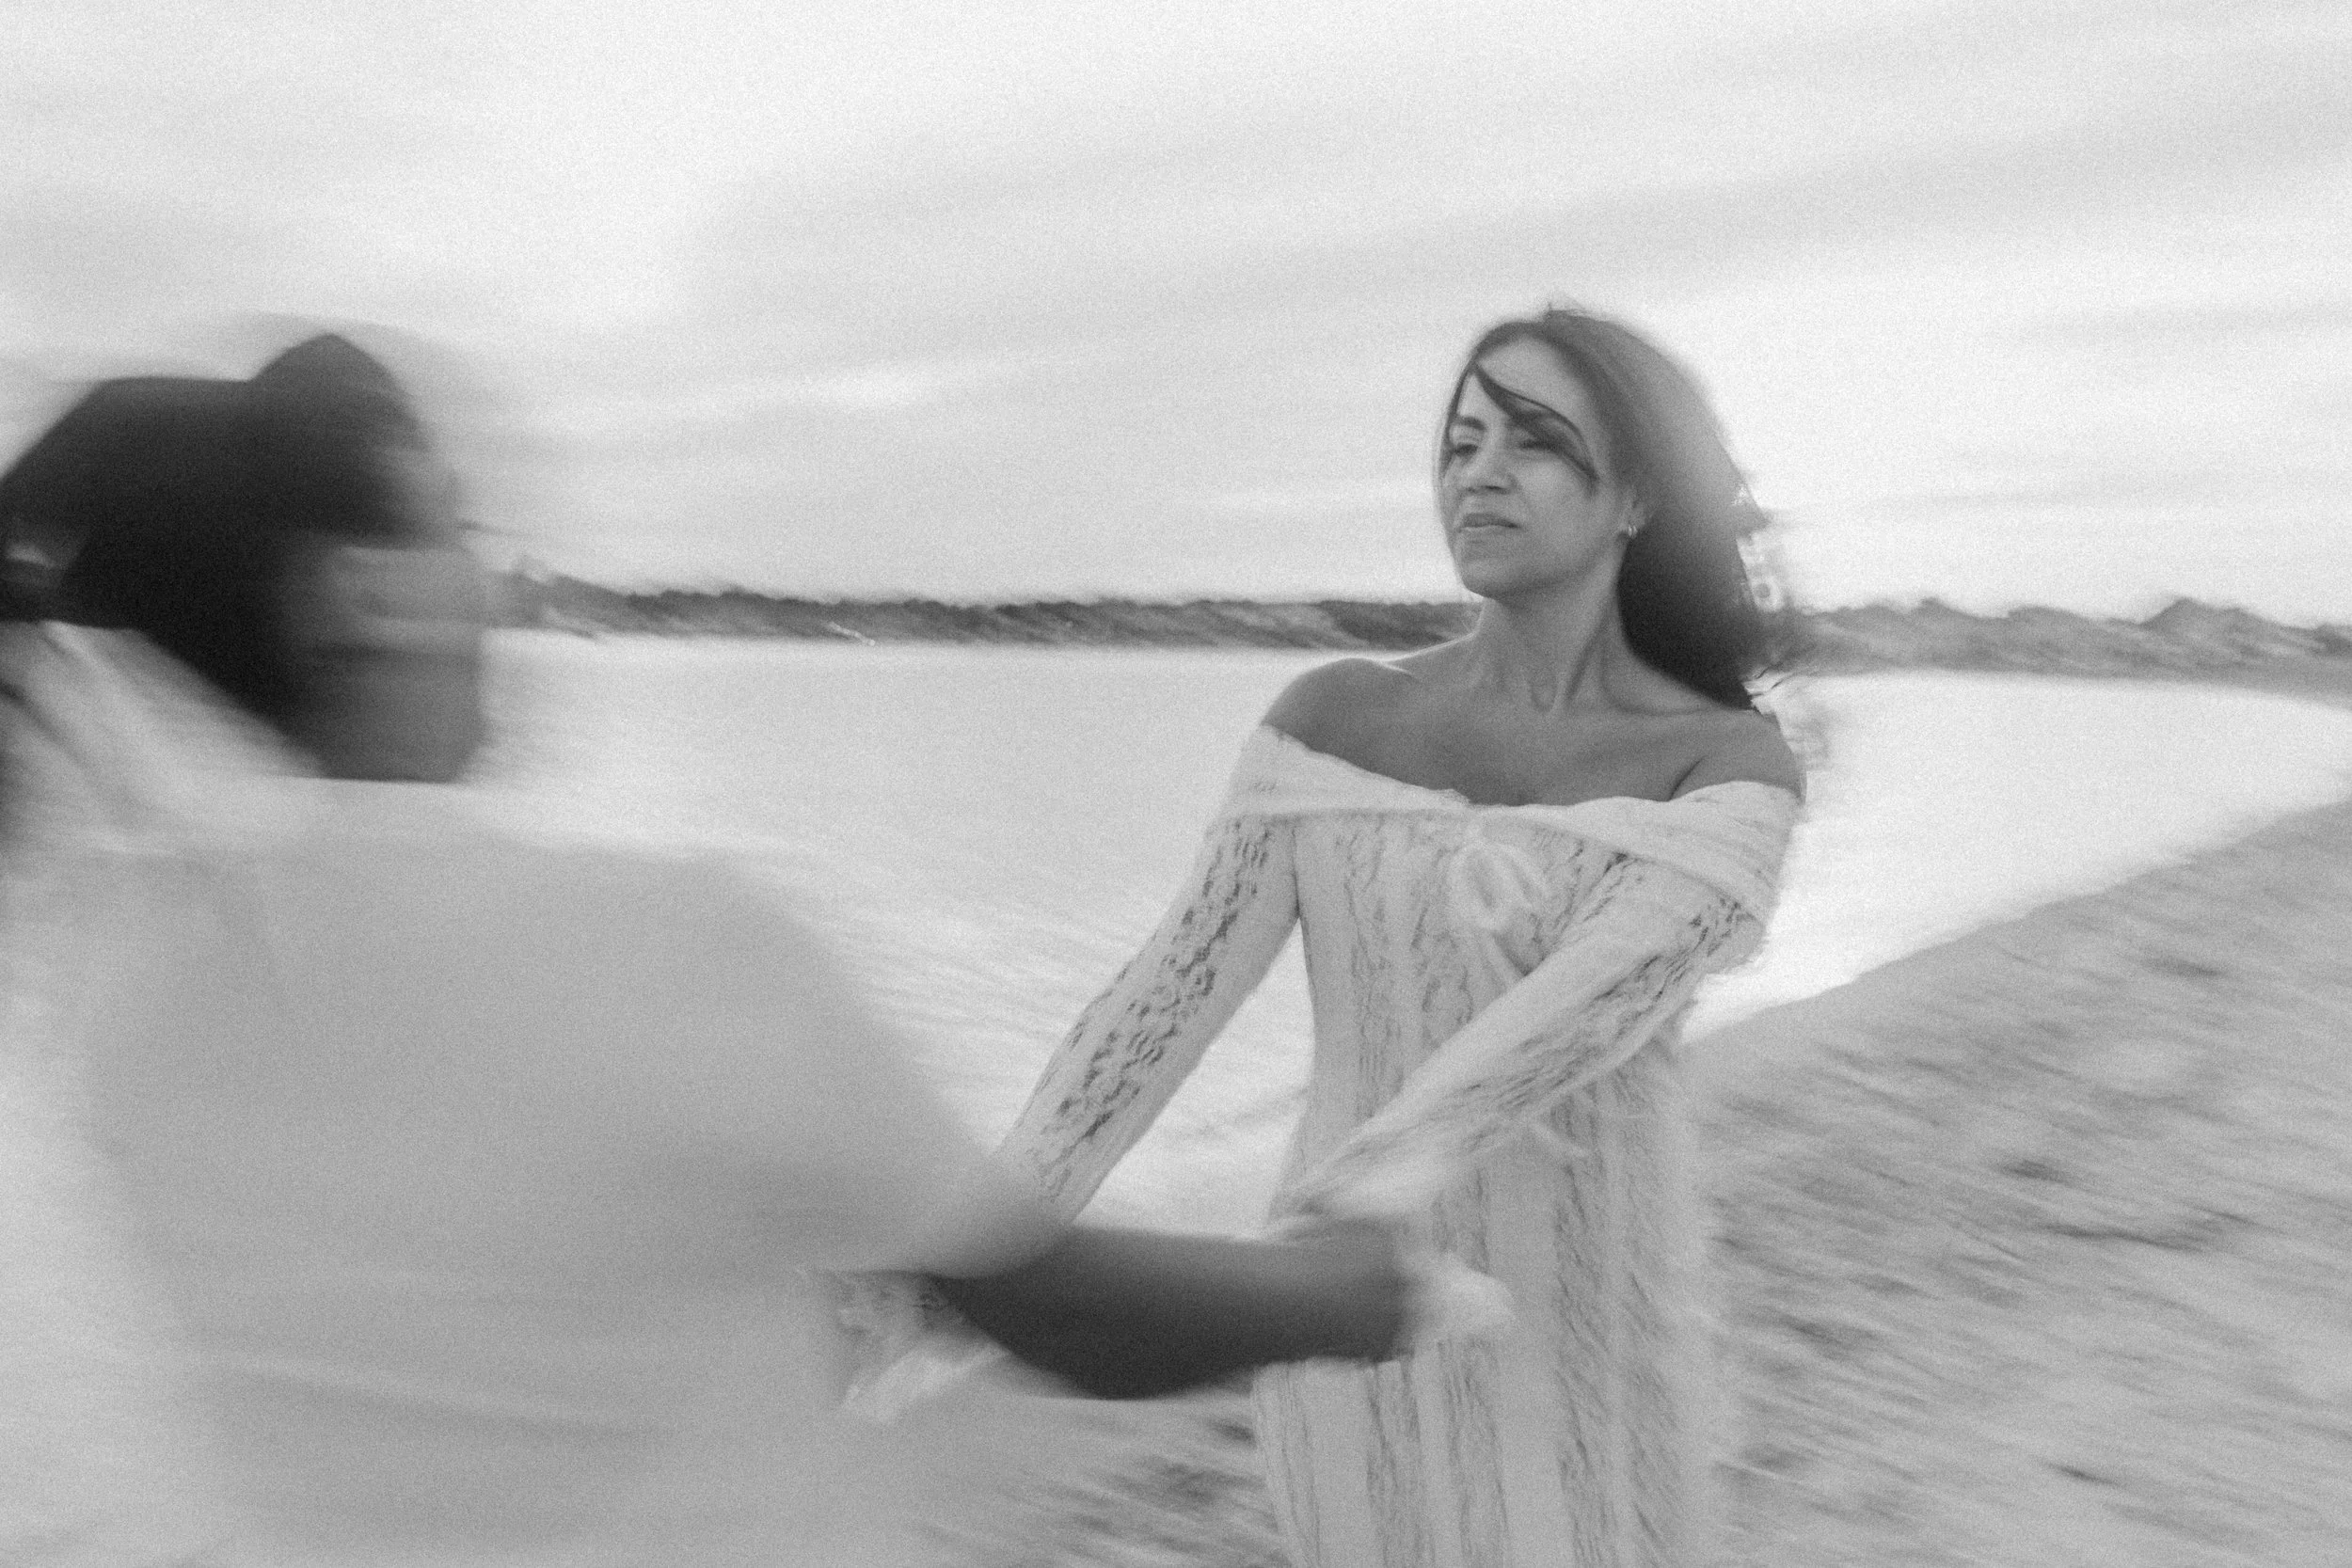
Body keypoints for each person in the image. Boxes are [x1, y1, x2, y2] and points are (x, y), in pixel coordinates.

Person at [0, 335, 1413, 1566]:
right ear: (360, 594)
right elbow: (1056, 1306)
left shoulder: (103, 965)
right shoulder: (674, 948)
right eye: (455, 530)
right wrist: (1354, 1287)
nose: (494, 587)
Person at [996, 306, 1806, 1567]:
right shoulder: (1332, 716)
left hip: (1584, 1330)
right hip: (1339, 1337)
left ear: (1638, 492)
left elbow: (1581, 1013)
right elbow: (1156, 1011)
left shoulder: (1725, 761)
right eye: (1461, 439)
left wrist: (1371, 1186)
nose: (1478, 471)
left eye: (1533, 441)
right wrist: (969, 1246)